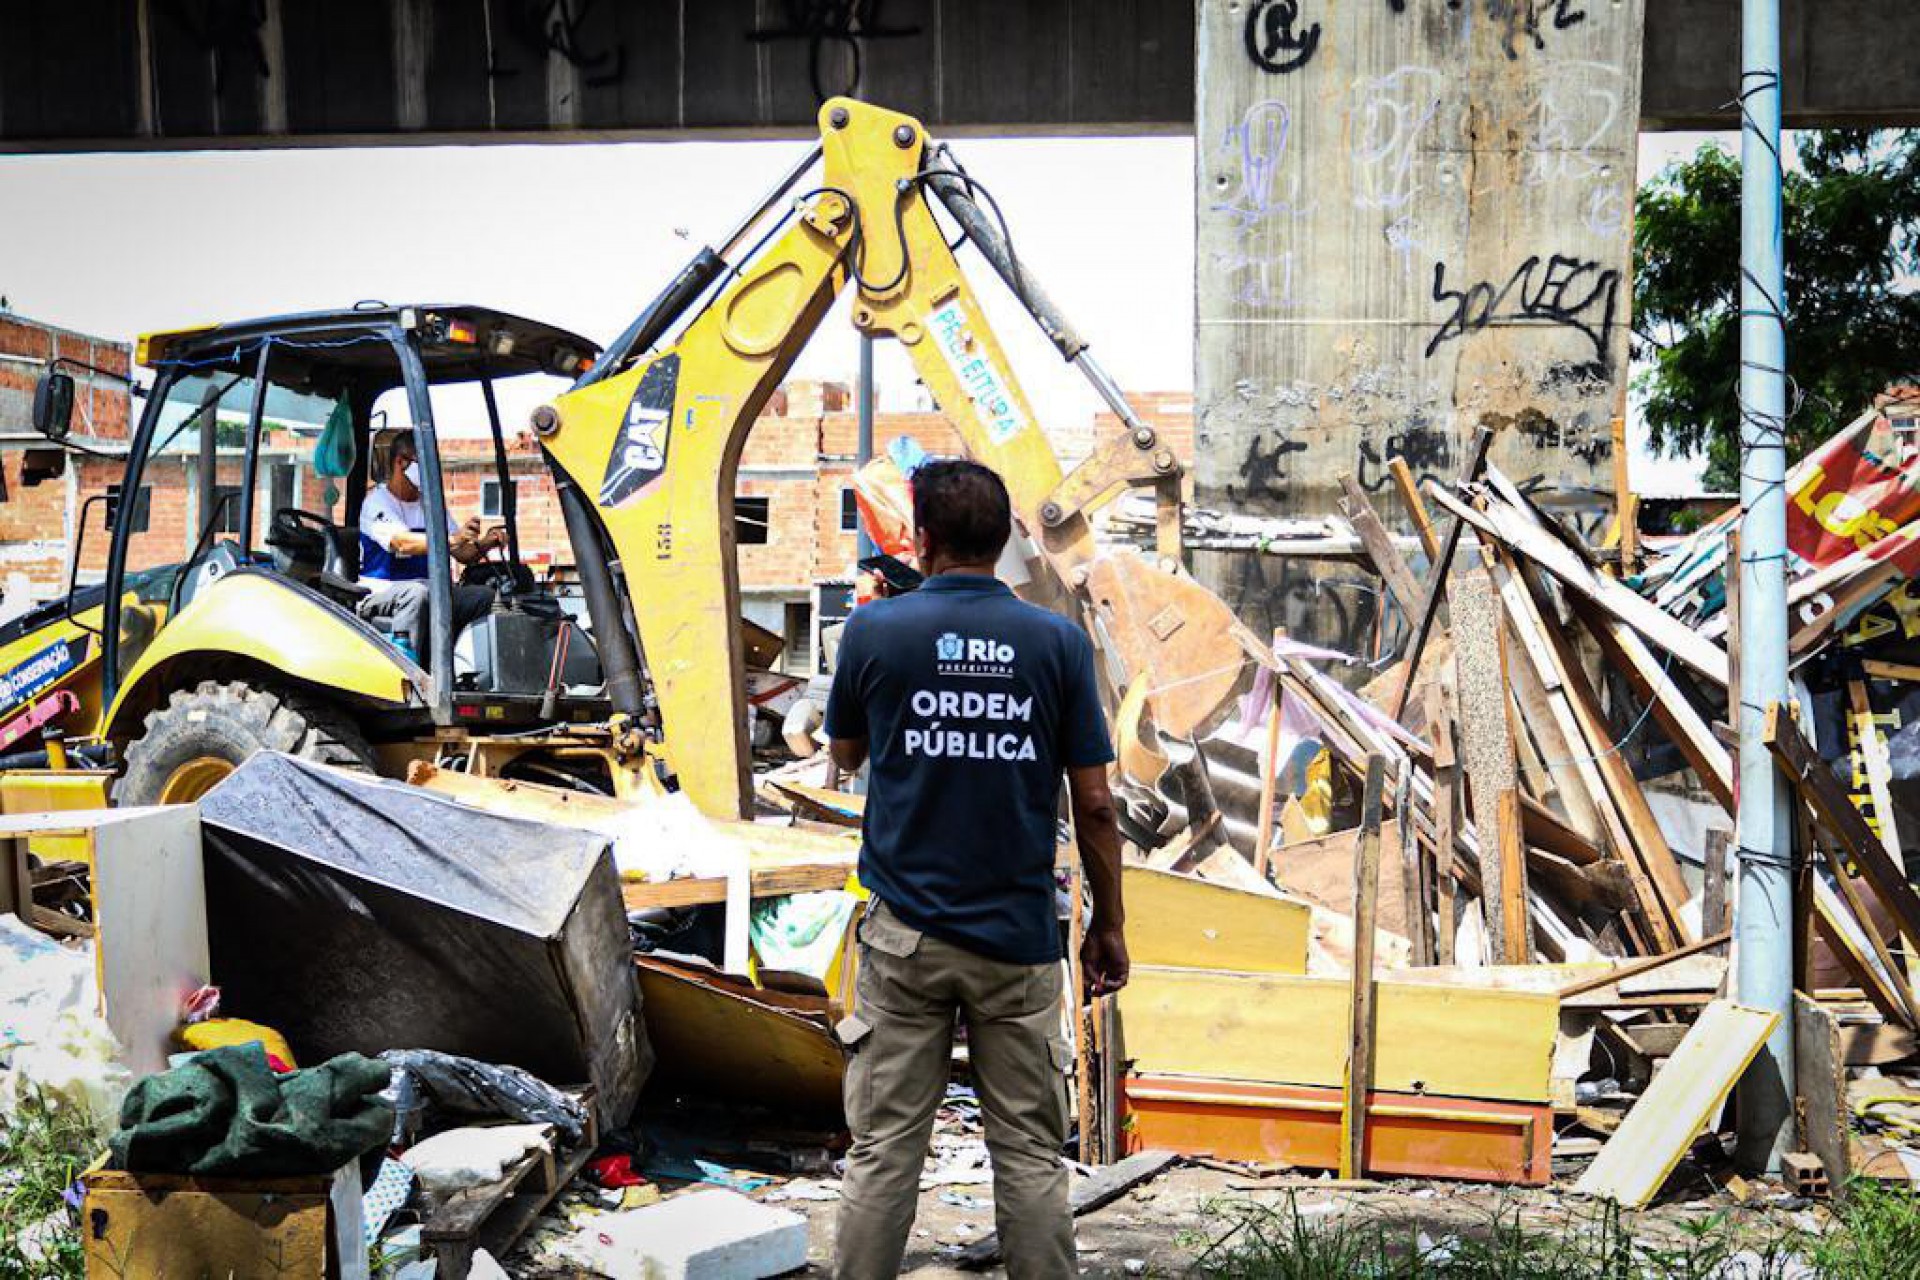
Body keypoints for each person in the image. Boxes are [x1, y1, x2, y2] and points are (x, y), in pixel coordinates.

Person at [825, 459, 1128, 1279]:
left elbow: (846, 755)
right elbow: (1095, 804)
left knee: (884, 1149)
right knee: (1028, 1152)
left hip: (905, 940)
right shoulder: (1057, 642)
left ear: (920, 540)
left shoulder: (873, 632)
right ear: (1003, 542)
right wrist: (1109, 923)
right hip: (1017, 939)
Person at [355, 432, 503, 662]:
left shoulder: (430, 505)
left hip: (430, 593)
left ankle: (464, 669)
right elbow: (401, 543)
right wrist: (453, 539)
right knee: (417, 593)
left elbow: (462, 553)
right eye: (421, 465)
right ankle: (407, 672)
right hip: (381, 593)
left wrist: (486, 542)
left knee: (483, 597)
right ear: (400, 462)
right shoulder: (376, 503)